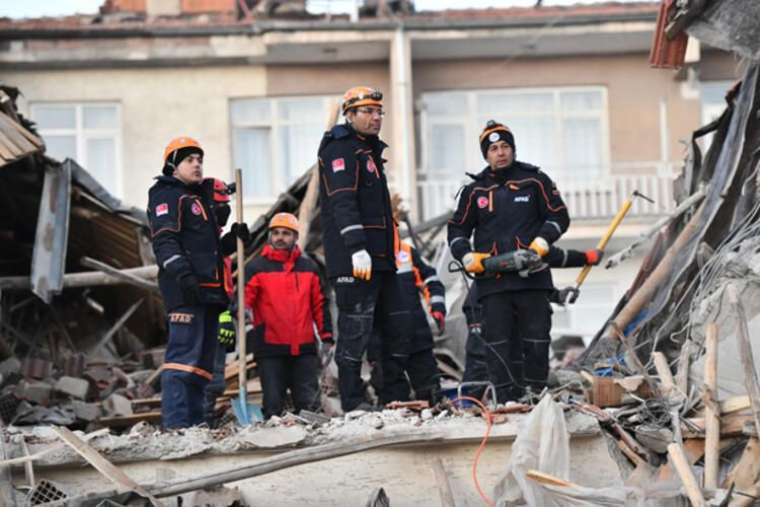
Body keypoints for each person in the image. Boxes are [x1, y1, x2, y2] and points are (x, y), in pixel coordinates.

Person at [447, 120, 570, 403]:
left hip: (533, 280)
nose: (500, 153)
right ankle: (506, 401)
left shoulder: (535, 180)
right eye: (493, 149)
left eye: (505, 147)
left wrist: (542, 242)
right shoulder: (474, 191)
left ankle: (537, 397)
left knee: (536, 342)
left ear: (512, 150)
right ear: (486, 155)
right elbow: (457, 229)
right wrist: (466, 255)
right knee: (498, 345)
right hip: (493, 285)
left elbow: (559, 216)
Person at [317, 86, 411, 411]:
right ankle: (353, 402)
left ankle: (390, 399)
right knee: (354, 333)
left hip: (381, 260)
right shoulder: (341, 149)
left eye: (379, 112)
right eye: (368, 112)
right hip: (355, 261)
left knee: (388, 332)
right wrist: (356, 247)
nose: (376, 117)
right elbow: (343, 202)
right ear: (349, 115)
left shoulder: (368, 152)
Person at [148, 137, 240, 428]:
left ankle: (196, 427)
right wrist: (182, 275)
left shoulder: (198, 200)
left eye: (200, 159)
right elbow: (165, 241)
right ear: (173, 166)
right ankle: (176, 427)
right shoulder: (166, 195)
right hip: (186, 291)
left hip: (210, 294)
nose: (197, 164)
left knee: (202, 369)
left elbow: (207, 252)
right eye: (190, 160)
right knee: (182, 362)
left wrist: (232, 241)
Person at [460, 245, 603, 397]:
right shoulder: (508, 240)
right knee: (483, 353)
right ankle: (471, 399)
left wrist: (558, 295)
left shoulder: (533, 248)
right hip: (483, 304)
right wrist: (585, 257)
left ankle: (515, 397)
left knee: (518, 356)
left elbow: (532, 283)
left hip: (513, 307)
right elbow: (552, 257)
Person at [243, 212, 333, 419]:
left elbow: (320, 305)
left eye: (286, 233)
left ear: (295, 237)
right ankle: (274, 445)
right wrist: (243, 313)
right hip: (270, 349)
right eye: (275, 233)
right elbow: (243, 300)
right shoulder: (256, 268)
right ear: (270, 236)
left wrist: (327, 337)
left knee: (309, 405)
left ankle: (312, 445)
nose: (280, 238)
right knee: (273, 405)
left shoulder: (309, 268)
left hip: (304, 349)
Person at [201, 178, 250, 427]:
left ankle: (206, 421)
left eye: (226, 205)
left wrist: (232, 240)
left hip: (222, 311)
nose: (224, 211)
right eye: (219, 206)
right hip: (208, 315)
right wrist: (223, 316)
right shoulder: (198, 238)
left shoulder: (212, 237)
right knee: (207, 377)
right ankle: (200, 422)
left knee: (216, 378)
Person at [393, 240, 446, 404]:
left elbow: (431, 278)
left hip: (416, 334)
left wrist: (437, 306)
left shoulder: (407, 251)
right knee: (393, 398)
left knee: (431, 392)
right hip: (387, 341)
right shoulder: (364, 255)